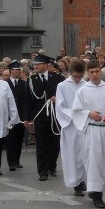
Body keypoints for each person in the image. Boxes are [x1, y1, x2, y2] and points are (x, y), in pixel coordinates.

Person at [71, 59, 105, 209]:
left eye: (97, 71)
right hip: (91, 130)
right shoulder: (83, 90)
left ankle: (98, 188)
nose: (95, 75)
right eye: (92, 72)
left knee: (104, 161)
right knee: (93, 161)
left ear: (101, 71)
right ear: (87, 73)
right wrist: (89, 113)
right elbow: (76, 111)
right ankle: (97, 195)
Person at [24, 53, 62, 181]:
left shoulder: (57, 78)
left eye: (39, 64)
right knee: (41, 145)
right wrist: (28, 118)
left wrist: (57, 99)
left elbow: (64, 94)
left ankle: (52, 166)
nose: (36, 66)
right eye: (35, 64)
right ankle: (42, 171)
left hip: (54, 115)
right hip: (39, 116)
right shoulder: (31, 80)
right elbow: (28, 100)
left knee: (55, 143)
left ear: (46, 65)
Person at [56, 59, 88, 196]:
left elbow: (88, 104)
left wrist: (84, 116)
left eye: (80, 76)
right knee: (72, 154)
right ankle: (75, 183)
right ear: (70, 73)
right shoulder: (62, 86)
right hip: (70, 125)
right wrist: (74, 115)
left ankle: (83, 180)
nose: (78, 79)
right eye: (75, 76)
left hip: (83, 124)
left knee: (83, 153)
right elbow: (60, 106)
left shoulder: (86, 85)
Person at [4, 61, 27, 171]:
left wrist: (26, 116)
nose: (19, 71)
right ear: (11, 71)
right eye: (16, 70)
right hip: (9, 116)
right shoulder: (5, 84)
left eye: (19, 70)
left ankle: (17, 160)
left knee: (19, 139)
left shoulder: (24, 83)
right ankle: (11, 162)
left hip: (21, 115)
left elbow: (26, 100)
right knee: (10, 140)